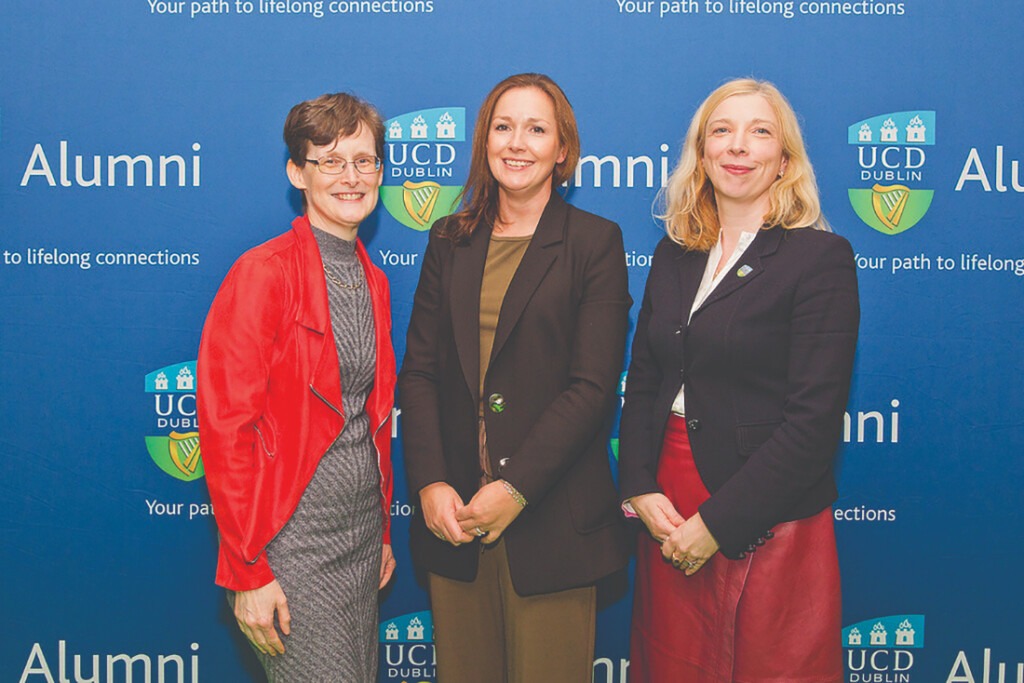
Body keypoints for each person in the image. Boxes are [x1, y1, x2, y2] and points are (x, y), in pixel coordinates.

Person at [618, 78, 860, 682]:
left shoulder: (820, 259)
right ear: (701, 154)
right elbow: (644, 381)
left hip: (766, 509)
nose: (738, 147)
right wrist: (639, 485)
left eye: (760, 132)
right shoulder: (674, 254)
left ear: (785, 160)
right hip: (669, 503)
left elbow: (813, 424)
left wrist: (719, 524)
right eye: (721, 131)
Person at [398, 73, 631, 683]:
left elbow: (592, 386)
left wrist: (516, 487)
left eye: (536, 128)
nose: (517, 142)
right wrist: (428, 482)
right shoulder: (449, 239)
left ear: (563, 150)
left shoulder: (595, 243)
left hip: (551, 521)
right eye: (503, 126)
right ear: (484, 142)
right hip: (456, 522)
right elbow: (419, 370)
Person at [196, 92, 397, 682]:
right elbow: (227, 431)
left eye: (363, 161)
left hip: (361, 543)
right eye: (330, 161)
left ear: (381, 172)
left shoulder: (373, 278)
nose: (351, 177)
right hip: (290, 548)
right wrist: (247, 569)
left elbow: (368, 422)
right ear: (296, 172)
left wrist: (382, 533)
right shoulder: (263, 273)